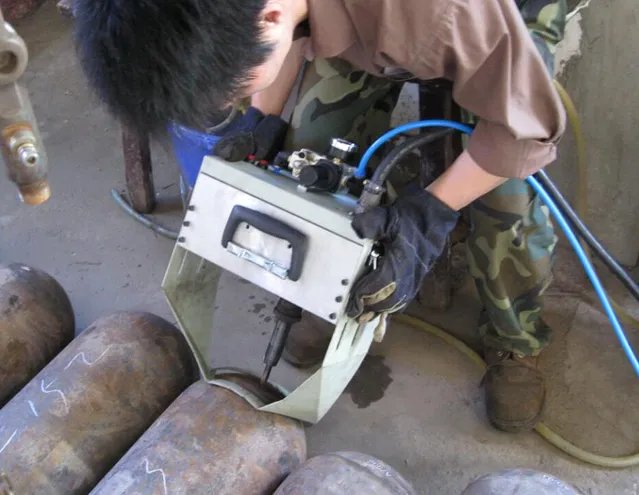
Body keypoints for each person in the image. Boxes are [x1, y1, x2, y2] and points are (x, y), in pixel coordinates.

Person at [74, 0, 567, 433]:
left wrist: (429, 212)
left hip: (499, 18)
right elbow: (284, 23)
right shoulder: (268, 13)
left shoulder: (443, 13)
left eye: (232, 90)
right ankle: (331, 291)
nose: (227, 102)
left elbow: (529, 130)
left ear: (268, 19)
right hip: (360, 17)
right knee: (309, 148)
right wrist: (263, 120)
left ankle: (516, 336)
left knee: (507, 203)